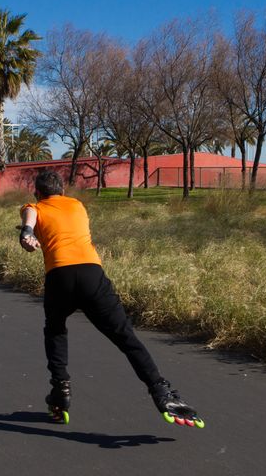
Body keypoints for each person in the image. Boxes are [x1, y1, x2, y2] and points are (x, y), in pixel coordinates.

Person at [18, 170, 203, 428]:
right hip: (91, 275)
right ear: (62, 191)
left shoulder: (35, 206)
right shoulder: (77, 205)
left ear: (38, 192)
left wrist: (27, 232)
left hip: (59, 277)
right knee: (125, 336)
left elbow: (32, 215)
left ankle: (61, 390)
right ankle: (161, 391)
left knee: (55, 330)